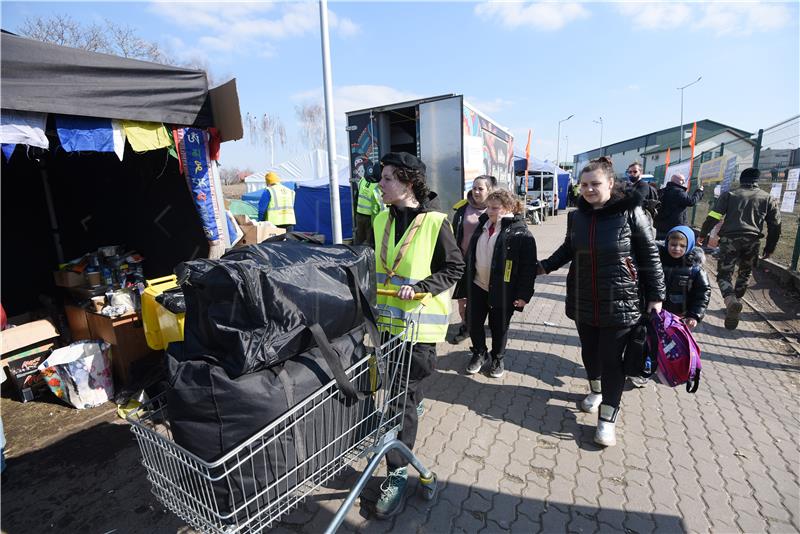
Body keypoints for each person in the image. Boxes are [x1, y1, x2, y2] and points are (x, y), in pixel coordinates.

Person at [538, 156, 665, 447]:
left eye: (595, 183)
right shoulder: (577, 216)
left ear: (610, 183)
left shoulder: (631, 212)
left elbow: (650, 256)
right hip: (584, 299)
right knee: (590, 354)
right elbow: (569, 247)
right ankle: (595, 391)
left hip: (620, 301)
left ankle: (607, 419)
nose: (589, 189)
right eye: (583, 184)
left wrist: (657, 296)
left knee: (611, 361)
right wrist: (545, 266)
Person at [372, 151, 464, 518]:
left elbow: (454, 266)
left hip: (418, 330)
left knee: (400, 403)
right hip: (386, 326)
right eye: (380, 178)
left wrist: (424, 286)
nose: (380, 184)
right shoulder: (380, 219)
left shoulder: (434, 222)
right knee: (398, 395)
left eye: (387, 178)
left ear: (408, 183)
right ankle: (409, 411)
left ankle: (396, 473)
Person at [455, 189, 537, 378]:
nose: (489, 211)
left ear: (508, 207)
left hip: (503, 290)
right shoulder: (483, 224)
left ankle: (498, 357)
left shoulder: (520, 232)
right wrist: (462, 289)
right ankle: (479, 352)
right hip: (477, 284)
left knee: (499, 326)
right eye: (488, 207)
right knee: (473, 322)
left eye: (495, 208)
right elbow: (470, 257)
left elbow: (528, 268)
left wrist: (524, 295)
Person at [698, 167, 781, 329]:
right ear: (757, 181)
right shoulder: (768, 198)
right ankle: (736, 301)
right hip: (753, 241)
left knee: (724, 274)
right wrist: (770, 246)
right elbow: (775, 225)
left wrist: (703, 234)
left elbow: (714, 216)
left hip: (730, 240)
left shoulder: (730, 195)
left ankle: (730, 300)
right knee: (745, 272)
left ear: (742, 180)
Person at [448, 175, 496, 344]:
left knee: (481, 300)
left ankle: (475, 326)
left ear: (489, 191)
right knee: (462, 300)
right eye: (474, 187)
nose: (475, 191)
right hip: (462, 261)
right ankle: (466, 325)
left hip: (484, 263)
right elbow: (454, 233)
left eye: (480, 188)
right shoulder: (463, 208)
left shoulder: (494, 210)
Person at [659, 225, 711, 329]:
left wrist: (694, 315)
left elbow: (703, 293)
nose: (677, 248)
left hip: (679, 317)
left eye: (682, 246)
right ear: (667, 243)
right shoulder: (658, 262)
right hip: (656, 313)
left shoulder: (695, 269)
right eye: (673, 244)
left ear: (690, 245)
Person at [654, 174, 704, 240]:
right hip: (674, 226)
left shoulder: (661, 191)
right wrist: (699, 192)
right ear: (677, 181)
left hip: (659, 225)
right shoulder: (679, 192)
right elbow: (691, 202)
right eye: (682, 180)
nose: (684, 182)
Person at [353, 156, 384, 245]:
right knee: (370, 241)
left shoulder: (363, 181)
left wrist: (356, 213)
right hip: (370, 217)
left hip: (359, 216)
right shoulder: (378, 186)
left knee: (359, 240)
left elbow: (356, 199)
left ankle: (356, 256)